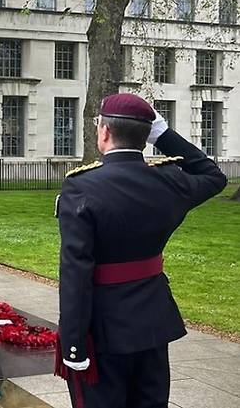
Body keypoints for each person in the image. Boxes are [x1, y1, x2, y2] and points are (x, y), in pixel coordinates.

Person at [56, 92, 227, 408]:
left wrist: (73, 344)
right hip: (153, 321)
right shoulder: (169, 180)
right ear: (147, 137)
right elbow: (213, 176)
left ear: (104, 132)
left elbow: (75, 272)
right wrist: (164, 135)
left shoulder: (81, 187)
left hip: (103, 328)